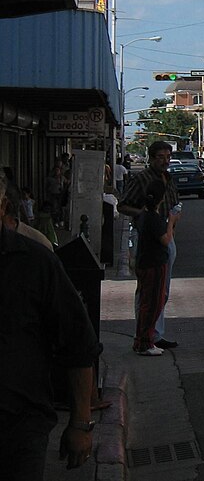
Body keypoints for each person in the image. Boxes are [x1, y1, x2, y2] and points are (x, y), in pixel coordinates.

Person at [0, 176, 102, 477]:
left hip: (18, 427)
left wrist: (81, 423)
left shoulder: (35, 261)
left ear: (4, 208)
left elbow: (78, 345)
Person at [119, 141, 181, 350]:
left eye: (167, 157)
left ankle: (156, 333)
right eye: (161, 157)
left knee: (162, 290)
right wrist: (145, 215)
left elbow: (173, 204)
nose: (165, 161)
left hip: (166, 235)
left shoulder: (168, 178)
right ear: (152, 158)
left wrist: (172, 218)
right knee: (147, 290)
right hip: (147, 238)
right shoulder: (142, 178)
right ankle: (144, 335)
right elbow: (123, 205)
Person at [132, 177, 174, 356]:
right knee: (152, 303)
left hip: (144, 262)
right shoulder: (154, 218)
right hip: (154, 264)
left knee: (147, 302)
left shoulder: (143, 216)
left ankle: (143, 340)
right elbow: (165, 239)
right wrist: (171, 222)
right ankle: (145, 342)